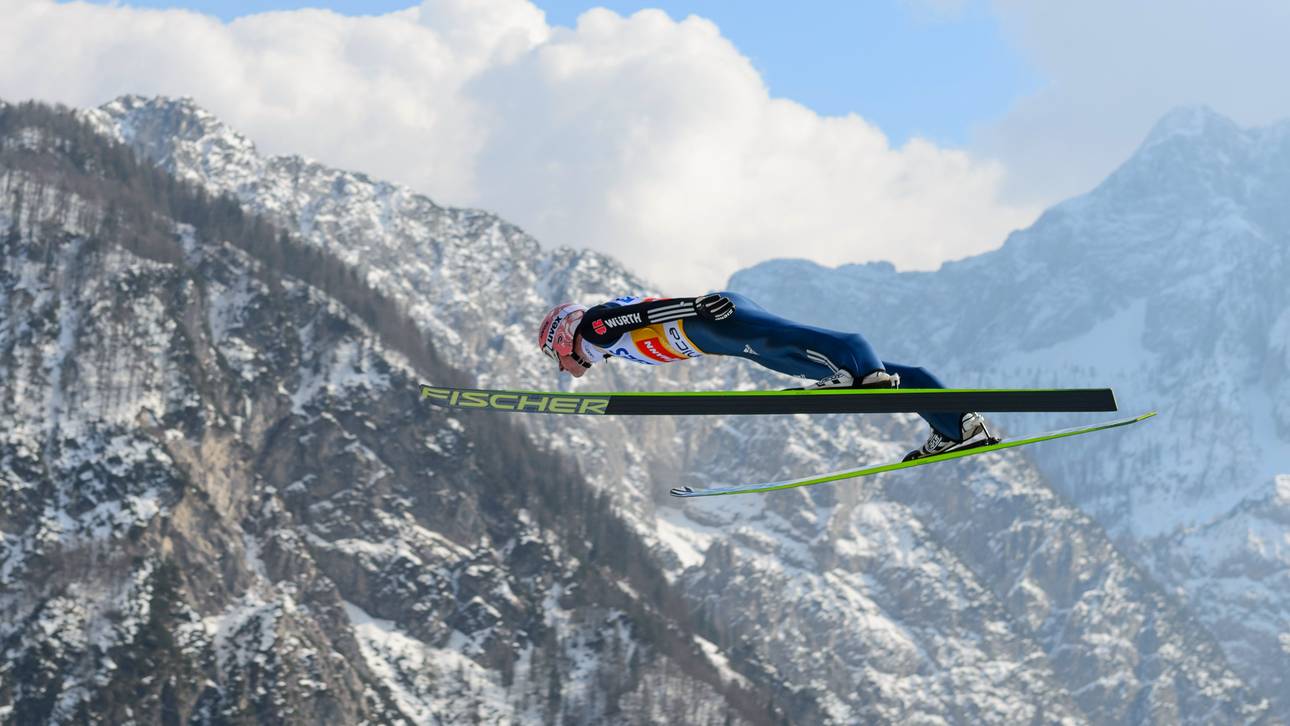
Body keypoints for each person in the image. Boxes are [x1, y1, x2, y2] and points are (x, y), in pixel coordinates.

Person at [537, 292, 995, 461]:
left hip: (709, 322)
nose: (560, 364)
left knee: (786, 342)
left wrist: (698, 307)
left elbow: (646, 314)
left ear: (562, 335)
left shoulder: (594, 327)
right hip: (713, 332)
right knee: (790, 357)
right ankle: (958, 425)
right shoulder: (602, 342)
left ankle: (860, 367)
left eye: (553, 353)